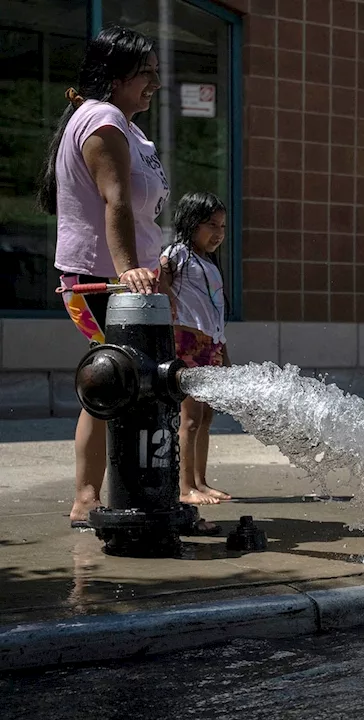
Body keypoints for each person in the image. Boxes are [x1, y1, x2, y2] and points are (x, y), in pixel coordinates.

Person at [37, 26, 171, 528]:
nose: (155, 82)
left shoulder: (127, 127)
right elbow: (115, 199)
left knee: (121, 385)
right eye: (146, 73)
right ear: (115, 77)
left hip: (124, 280)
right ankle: (90, 497)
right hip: (100, 281)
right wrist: (128, 272)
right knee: (113, 382)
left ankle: (111, 493)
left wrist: (154, 270)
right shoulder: (103, 119)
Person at [159, 192, 231, 509]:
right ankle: (184, 486)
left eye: (223, 226)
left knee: (206, 416)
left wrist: (223, 353)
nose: (218, 233)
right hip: (186, 343)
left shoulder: (209, 263)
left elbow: (215, 314)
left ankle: (200, 480)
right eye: (211, 225)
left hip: (211, 345)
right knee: (188, 418)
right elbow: (159, 284)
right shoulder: (177, 254)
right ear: (190, 222)